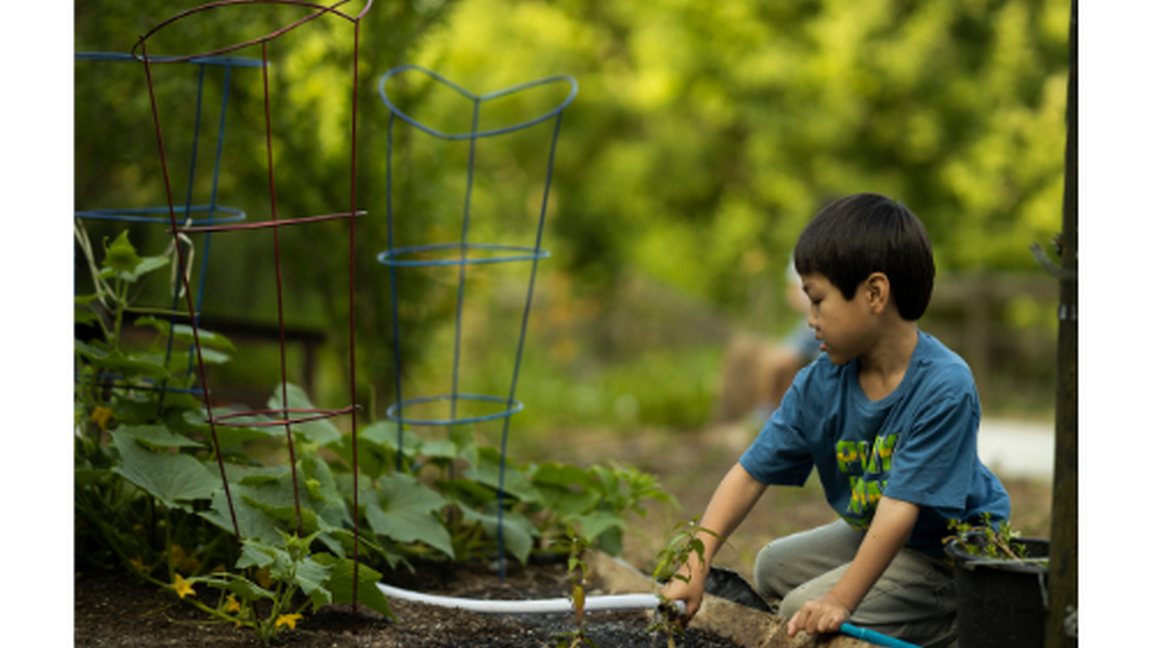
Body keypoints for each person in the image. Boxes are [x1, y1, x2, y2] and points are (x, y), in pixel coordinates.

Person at [662, 193, 1010, 648]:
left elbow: (898, 513)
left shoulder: (944, 385)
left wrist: (839, 601)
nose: (810, 320)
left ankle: (964, 625)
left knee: (799, 611)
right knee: (772, 567)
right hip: (885, 537)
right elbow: (749, 474)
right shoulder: (820, 382)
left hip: (952, 557)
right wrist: (696, 559)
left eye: (818, 301)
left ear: (874, 294)